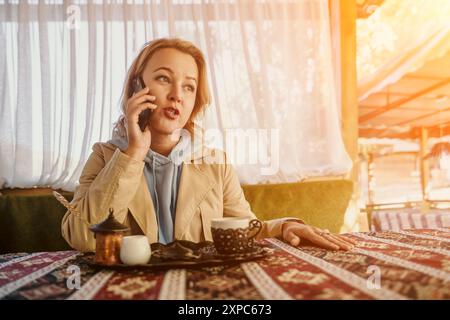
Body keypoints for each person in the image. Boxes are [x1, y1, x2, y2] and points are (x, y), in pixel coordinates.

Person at [61, 38, 356, 252]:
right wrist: (133, 152)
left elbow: (245, 231)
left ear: (194, 101)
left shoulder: (216, 164)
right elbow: (84, 238)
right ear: (137, 88)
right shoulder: (104, 156)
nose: (177, 94)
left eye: (189, 86)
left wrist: (284, 226)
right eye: (164, 78)